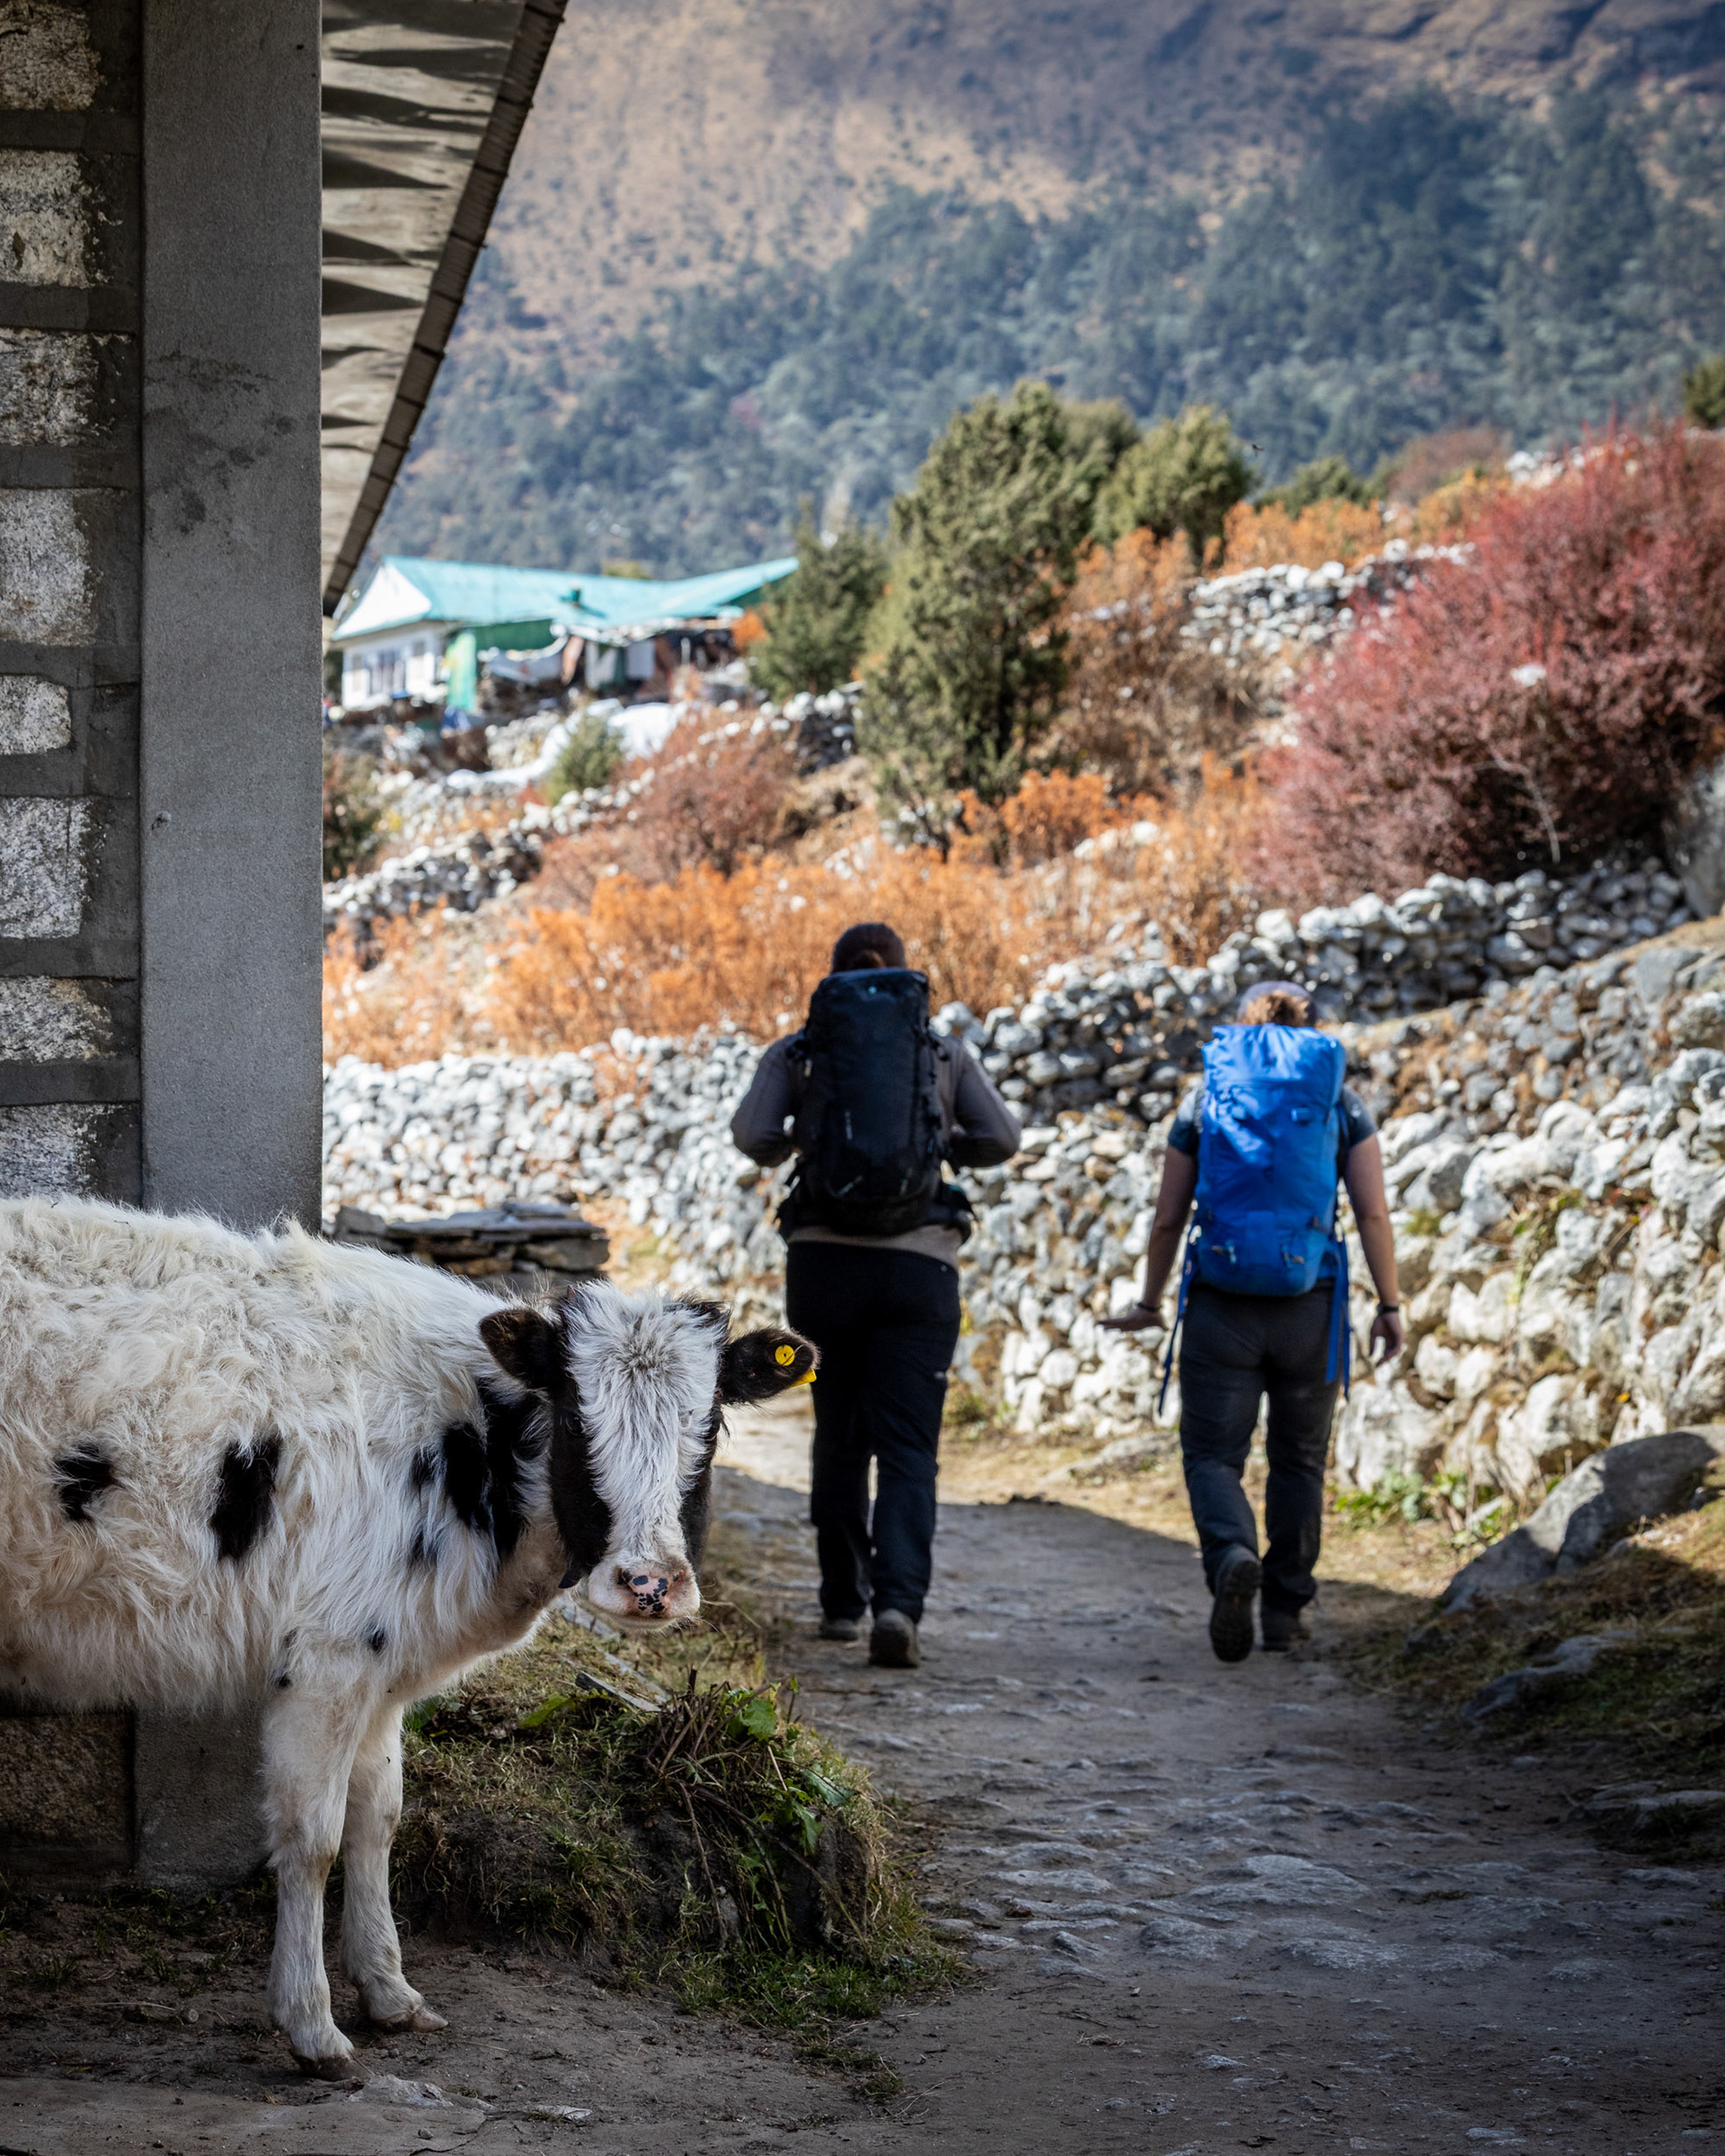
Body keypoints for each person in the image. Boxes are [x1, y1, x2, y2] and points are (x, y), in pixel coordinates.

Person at [730, 922, 1022, 1668]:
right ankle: (897, 1606)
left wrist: (803, 1141)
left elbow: (752, 1135)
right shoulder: (940, 1052)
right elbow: (1002, 1139)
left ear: (832, 980)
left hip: (824, 1269)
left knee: (837, 1433)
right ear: (904, 975)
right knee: (908, 1448)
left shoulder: (800, 1052)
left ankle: (839, 1603)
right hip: (920, 1272)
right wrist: (942, 1147)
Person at [1102, 982, 1404, 1661]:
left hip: (1221, 1302)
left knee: (1212, 1456)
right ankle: (1286, 1613)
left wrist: (1149, 1301)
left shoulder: (1207, 1096)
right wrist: (1389, 1305)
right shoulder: (1340, 1101)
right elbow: (1372, 1213)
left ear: (1242, 1029)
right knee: (1300, 1460)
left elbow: (1168, 1218)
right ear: (1312, 1030)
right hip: (1310, 1304)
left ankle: (1233, 1554)